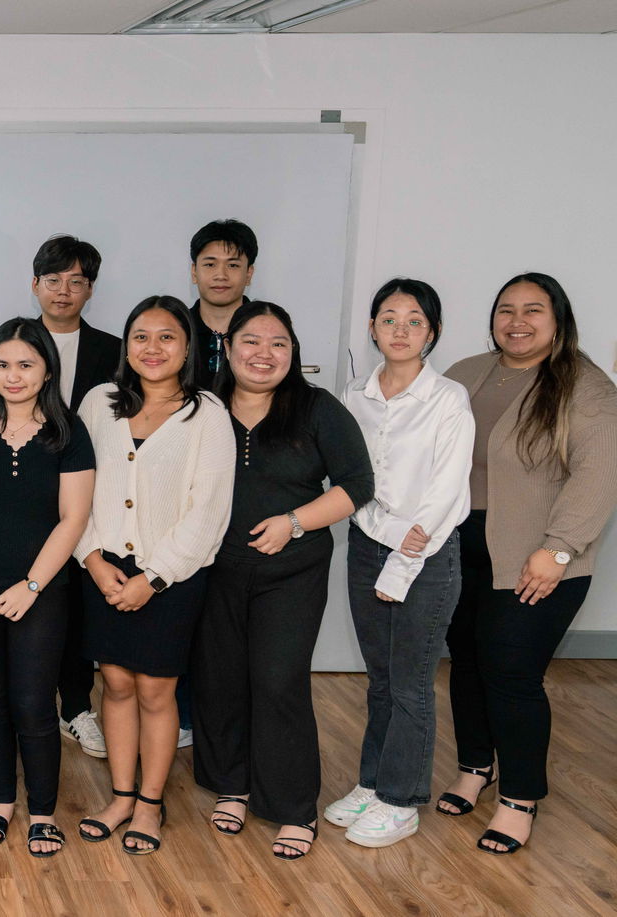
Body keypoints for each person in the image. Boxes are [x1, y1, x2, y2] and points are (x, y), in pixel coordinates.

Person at [438, 273, 617, 855]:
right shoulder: (466, 373)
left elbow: (599, 474)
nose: (517, 321)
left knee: (511, 674)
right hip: (459, 543)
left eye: (533, 310)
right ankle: (474, 766)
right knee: (465, 660)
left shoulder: (585, 387)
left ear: (558, 320)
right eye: (506, 310)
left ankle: (519, 798)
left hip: (538, 555)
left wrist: (559, 548)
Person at [190, 301, 374, 861]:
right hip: (210, 570)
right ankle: (233, 785)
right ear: (227, 348)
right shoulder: (201, 407)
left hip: (290, 573)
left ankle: (293, 809)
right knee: (219, 681)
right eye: (251, 341)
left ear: (293, 353)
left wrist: (294, 523)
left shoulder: (318, 408)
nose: (263, 354)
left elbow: (356, 483)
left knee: (278, 682)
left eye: (278, 344)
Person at [72, 297, 233, 856]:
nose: (153, 348)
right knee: (113, 683)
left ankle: (150, 803)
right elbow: (76, 489)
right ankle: (120, 796)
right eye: (141, 336)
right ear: (126, 345)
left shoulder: (206, 413)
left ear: (187, 347)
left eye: (167, 337)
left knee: (157, 689)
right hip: (103, 569)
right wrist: (92, 559)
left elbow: (210, 511)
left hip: (173, 574)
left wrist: (155, 578)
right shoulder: (99, 403)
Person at [326, 279, 472, 848]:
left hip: (426, 552)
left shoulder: (448, 399)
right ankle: (373, 782)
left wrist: (402, 565)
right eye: (390, 318)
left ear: (431, 332)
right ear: (372, 328)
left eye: (415, 321)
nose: (401, 330)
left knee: (411, 682)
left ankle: (402, 799)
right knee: (380, 678)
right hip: (365, 544)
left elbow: (445, 494)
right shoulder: (353, 395)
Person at [0, 318, 93, 857]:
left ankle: (44, 813)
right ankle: (2, 803)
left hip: (42, 588)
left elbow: (72, 519)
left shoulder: (68, 432)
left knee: (34, 700)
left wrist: (32, 585)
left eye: (26, 364)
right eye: (2, 364)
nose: (13, 375)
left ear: (47, 369)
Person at [30, 234, 120, 759]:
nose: (64, 291)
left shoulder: (113, 351)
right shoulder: (16, 344)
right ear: (35, 283)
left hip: (89, 494)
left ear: (91, 289)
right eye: (54, 280)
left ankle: (76, 708)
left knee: (78, 606)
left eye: (77, 282)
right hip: (24, 490)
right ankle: (35, 704)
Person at [187, 220, 258, 388]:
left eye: (233, 265)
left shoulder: (269, 332)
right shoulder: (176, 329)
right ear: (194, 272)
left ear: (249, 274)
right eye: (210, 264)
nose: (221, 275)